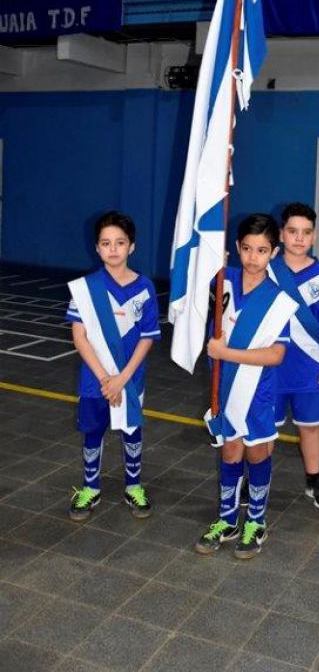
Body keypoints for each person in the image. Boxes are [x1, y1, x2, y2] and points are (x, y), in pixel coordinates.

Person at [195, 213, 297, 559]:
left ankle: (256, 520)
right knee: (230, 451)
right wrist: (209, 262)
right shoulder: (223, 281)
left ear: (274, 252)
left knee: (255, 451)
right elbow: (195, 287)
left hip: (257, 391)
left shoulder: (277, 299)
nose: (253, 258)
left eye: (262, 250)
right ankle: (227, 519)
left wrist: (228, 353)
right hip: (223, 387)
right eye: (247, 249)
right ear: (238, 248)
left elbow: (276, 355)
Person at [66, 211, 161, 522]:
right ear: (97, 248)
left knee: (131, 430)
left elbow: (147, 338)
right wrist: (106, 378)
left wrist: (122, 379)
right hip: (95, 379)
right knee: (92, 431)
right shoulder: (85, 288)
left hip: (131, 378)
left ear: (131, 246)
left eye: (120, 242)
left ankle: (133, 486)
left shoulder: (145, 287)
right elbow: (79, 337)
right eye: (106, 243)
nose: (113, 249)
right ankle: (89, 487)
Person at [269, 203, 319, 510]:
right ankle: (256, 478)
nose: (299, 238)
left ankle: (314, 479)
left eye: (306, 232)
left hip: (309, 365)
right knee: (264, 427)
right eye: (292, 231)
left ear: (314, 236)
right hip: (270, 364)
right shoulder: (267, 269)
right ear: (281, 234)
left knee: (310, 426)